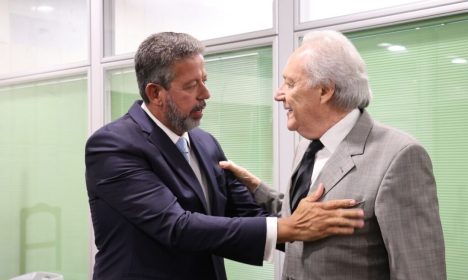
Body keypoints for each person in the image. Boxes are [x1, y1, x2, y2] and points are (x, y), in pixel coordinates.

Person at [85, 32, 365, 280]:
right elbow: (176, 226)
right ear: (155, 92)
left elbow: (248, 215)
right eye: (191, 86)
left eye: (204, 81)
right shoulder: (112, 146)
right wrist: (291, 227)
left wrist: (323, 222)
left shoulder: (205, 143)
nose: (206, 94)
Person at [221, 30, 446, 279]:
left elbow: (421, 272)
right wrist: (256, 189)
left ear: (325, 90)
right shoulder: (307, 146)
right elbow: (304, 220)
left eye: (291, 83)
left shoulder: (399, 157)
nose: (278, 94)